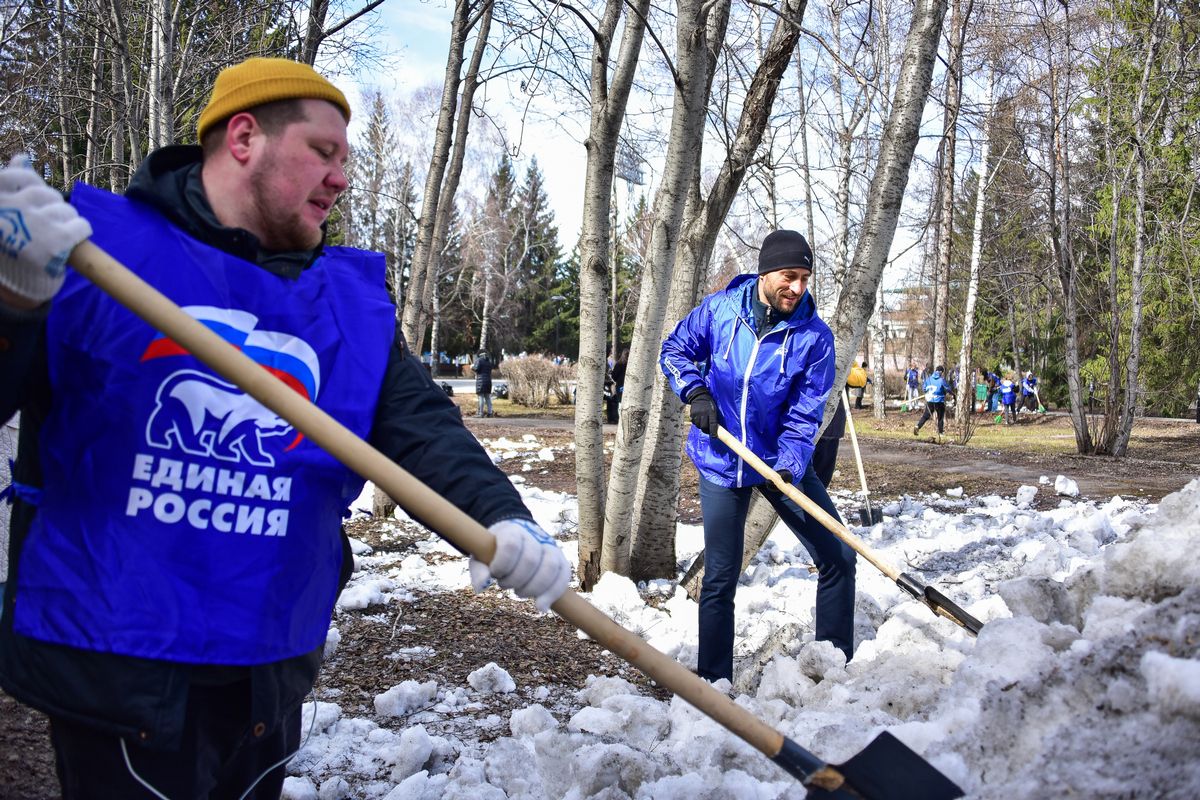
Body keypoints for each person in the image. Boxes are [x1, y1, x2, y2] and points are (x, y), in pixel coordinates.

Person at [0, 57, 570, 800]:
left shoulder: (343, 308)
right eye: (323, 151)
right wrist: (14, 301)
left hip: (267, 669)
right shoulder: (96, 252)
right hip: (122, 670)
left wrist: (498, 516)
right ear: (243, 138)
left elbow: (421, 424)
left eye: (347, 160)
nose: (342, 178)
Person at [660, 228, 856, 683]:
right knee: (720, 579)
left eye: (806, 278)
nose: (798, 288)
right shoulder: (721, 310)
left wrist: (788, 463)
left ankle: (831, 668)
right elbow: (675, 349)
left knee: (839, 557)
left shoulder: (814, 337)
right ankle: (713, 683)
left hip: (778, 462)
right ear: (767, 272)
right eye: (790, 276)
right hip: (722, 461)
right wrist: (696, 391)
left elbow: (806, 414)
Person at [810, 396, 846, 488]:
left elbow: (860, 381)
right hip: (808, 427)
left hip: (832, 429)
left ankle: (818, 500)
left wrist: (845, 380)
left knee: (823, 476)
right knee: (803, 475)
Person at [914, 364, 952, 436]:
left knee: (925, 416)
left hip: (930, 401)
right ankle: (940, 432)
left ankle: (918, 426)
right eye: (942, 373)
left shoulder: (929, 379)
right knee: (940, 417)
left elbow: (924, 388)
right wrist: (952, 393)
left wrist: (927, 393)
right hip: (939, 401)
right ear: (941, 372)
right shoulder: (941, 380)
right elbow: (948, 389)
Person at [605, 348, 628, 424]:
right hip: (628, 385)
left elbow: (614, 376)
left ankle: (618, 418)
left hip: (620, 385)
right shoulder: (632, 365)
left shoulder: (619, 364)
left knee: (619, 402)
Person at [473, 350, 495, 417]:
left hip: (481, 381)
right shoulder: (489, 362)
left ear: (480, 355)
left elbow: (476, 369)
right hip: (488, 381)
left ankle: (481, 413)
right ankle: (490, 413)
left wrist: (472, 367)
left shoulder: (479, 360)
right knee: (488, 397)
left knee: (481, 397)